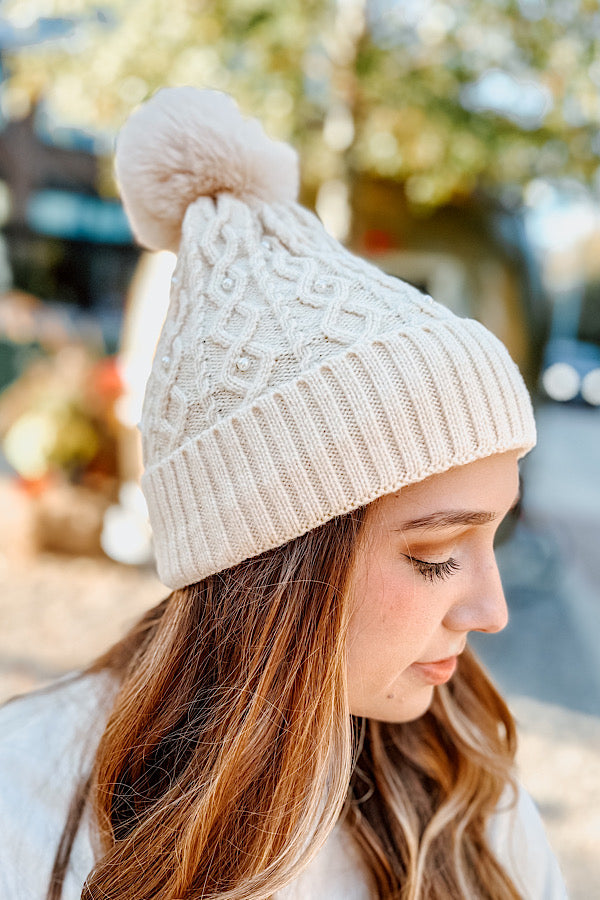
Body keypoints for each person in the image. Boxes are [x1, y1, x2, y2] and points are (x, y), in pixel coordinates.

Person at [0, 87, 567, 900]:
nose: (491, 609)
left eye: (493, 537)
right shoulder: (23, 806)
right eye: (437, 555)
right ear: (265, 562)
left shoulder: (467, 791)